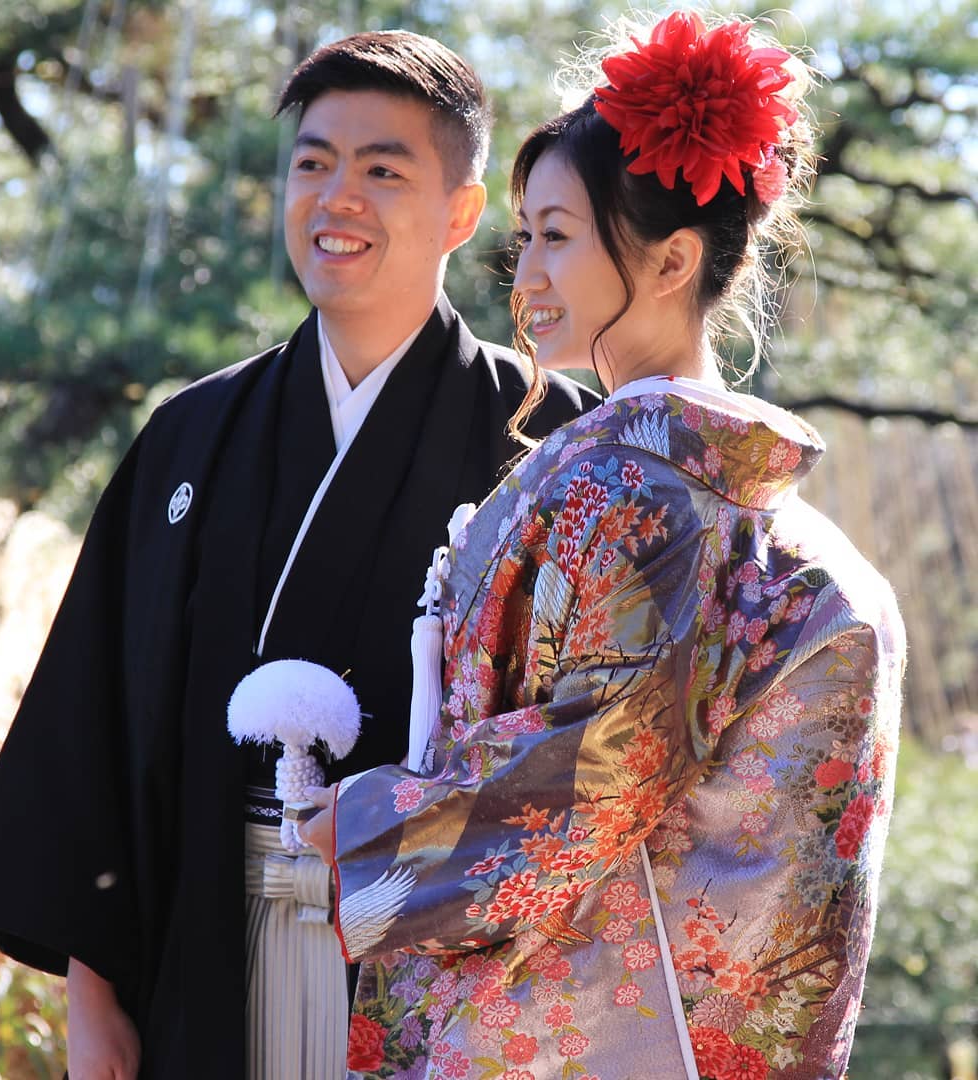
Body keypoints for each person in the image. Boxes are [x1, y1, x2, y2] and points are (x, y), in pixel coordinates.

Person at [0, 30, 595, 1080]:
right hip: (206, 962)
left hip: (451, 992)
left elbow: (591, 752)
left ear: (462, 215)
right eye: (312, 163)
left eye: (384, 170)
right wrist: (93, 1004)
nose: (338, 196)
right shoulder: (190, 436)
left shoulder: (550, 437)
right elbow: (94, 723)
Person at [302, 11, 906, 1079]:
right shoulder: (766, 519)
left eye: (559, 235)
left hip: (584, 1027)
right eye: (524, 235)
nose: (523, 270)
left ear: (672, 259)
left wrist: (365, 833)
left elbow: (600, 773)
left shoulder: (634, 487)